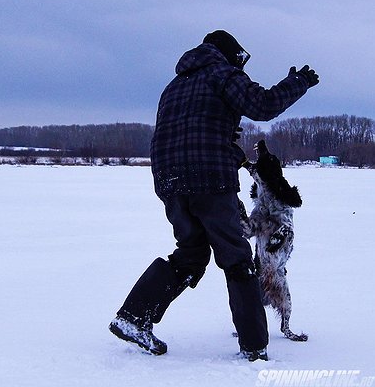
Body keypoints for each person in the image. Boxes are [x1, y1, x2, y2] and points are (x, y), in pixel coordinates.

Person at [109, 30, 319, 361]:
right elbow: (261, 105)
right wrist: (298, 83)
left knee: (191, 254)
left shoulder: (174, 86)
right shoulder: (221, 72)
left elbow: (194, 133)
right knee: (236, 257)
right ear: (227, 53)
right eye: (240, 59)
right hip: (209, 179)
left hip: (169, 180)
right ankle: (254, 346)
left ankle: (134, 316)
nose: (242, 65)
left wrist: (232, 152)